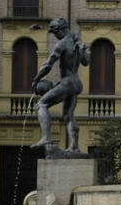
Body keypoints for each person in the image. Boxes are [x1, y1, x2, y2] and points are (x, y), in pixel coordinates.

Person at [30, 17, 91, 152]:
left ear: (62, 30)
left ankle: (46, 137)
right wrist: (82, 50)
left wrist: (36, 79)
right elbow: (86, 62)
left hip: (68, 81)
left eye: (56, 33)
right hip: (77, 83)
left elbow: (48, 65)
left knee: (41, 105)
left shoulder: (61, 44)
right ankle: (75, 147)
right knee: (68, 114)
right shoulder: (76, 40)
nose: (56, 37)